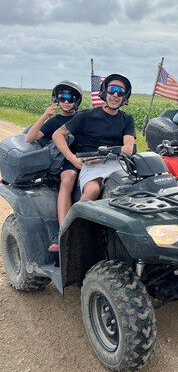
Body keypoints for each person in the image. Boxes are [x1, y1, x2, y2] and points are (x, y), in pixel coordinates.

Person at [50, 74, 135, 251]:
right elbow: (58, 134)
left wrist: (105, 154)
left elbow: (128, 148)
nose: (116, 95)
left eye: (120, 92)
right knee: (92, 190)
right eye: (112, 90)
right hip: (92, 165)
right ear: (105, 92)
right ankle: (69, 233)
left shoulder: (127, 119)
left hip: (117, 163)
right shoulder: (87, 116)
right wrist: (71, 157)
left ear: (125, 97)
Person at [25, 80, 83, 236]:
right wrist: (44, 116)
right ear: (56, 99)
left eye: (70, 98)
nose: (65, 102)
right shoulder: (54, 122)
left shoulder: (82, 118)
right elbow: (30, 138)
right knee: (68, 179)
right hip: (63, 162)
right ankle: (64, 230)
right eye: (62, 98)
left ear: (76, 101)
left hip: (83, 157)